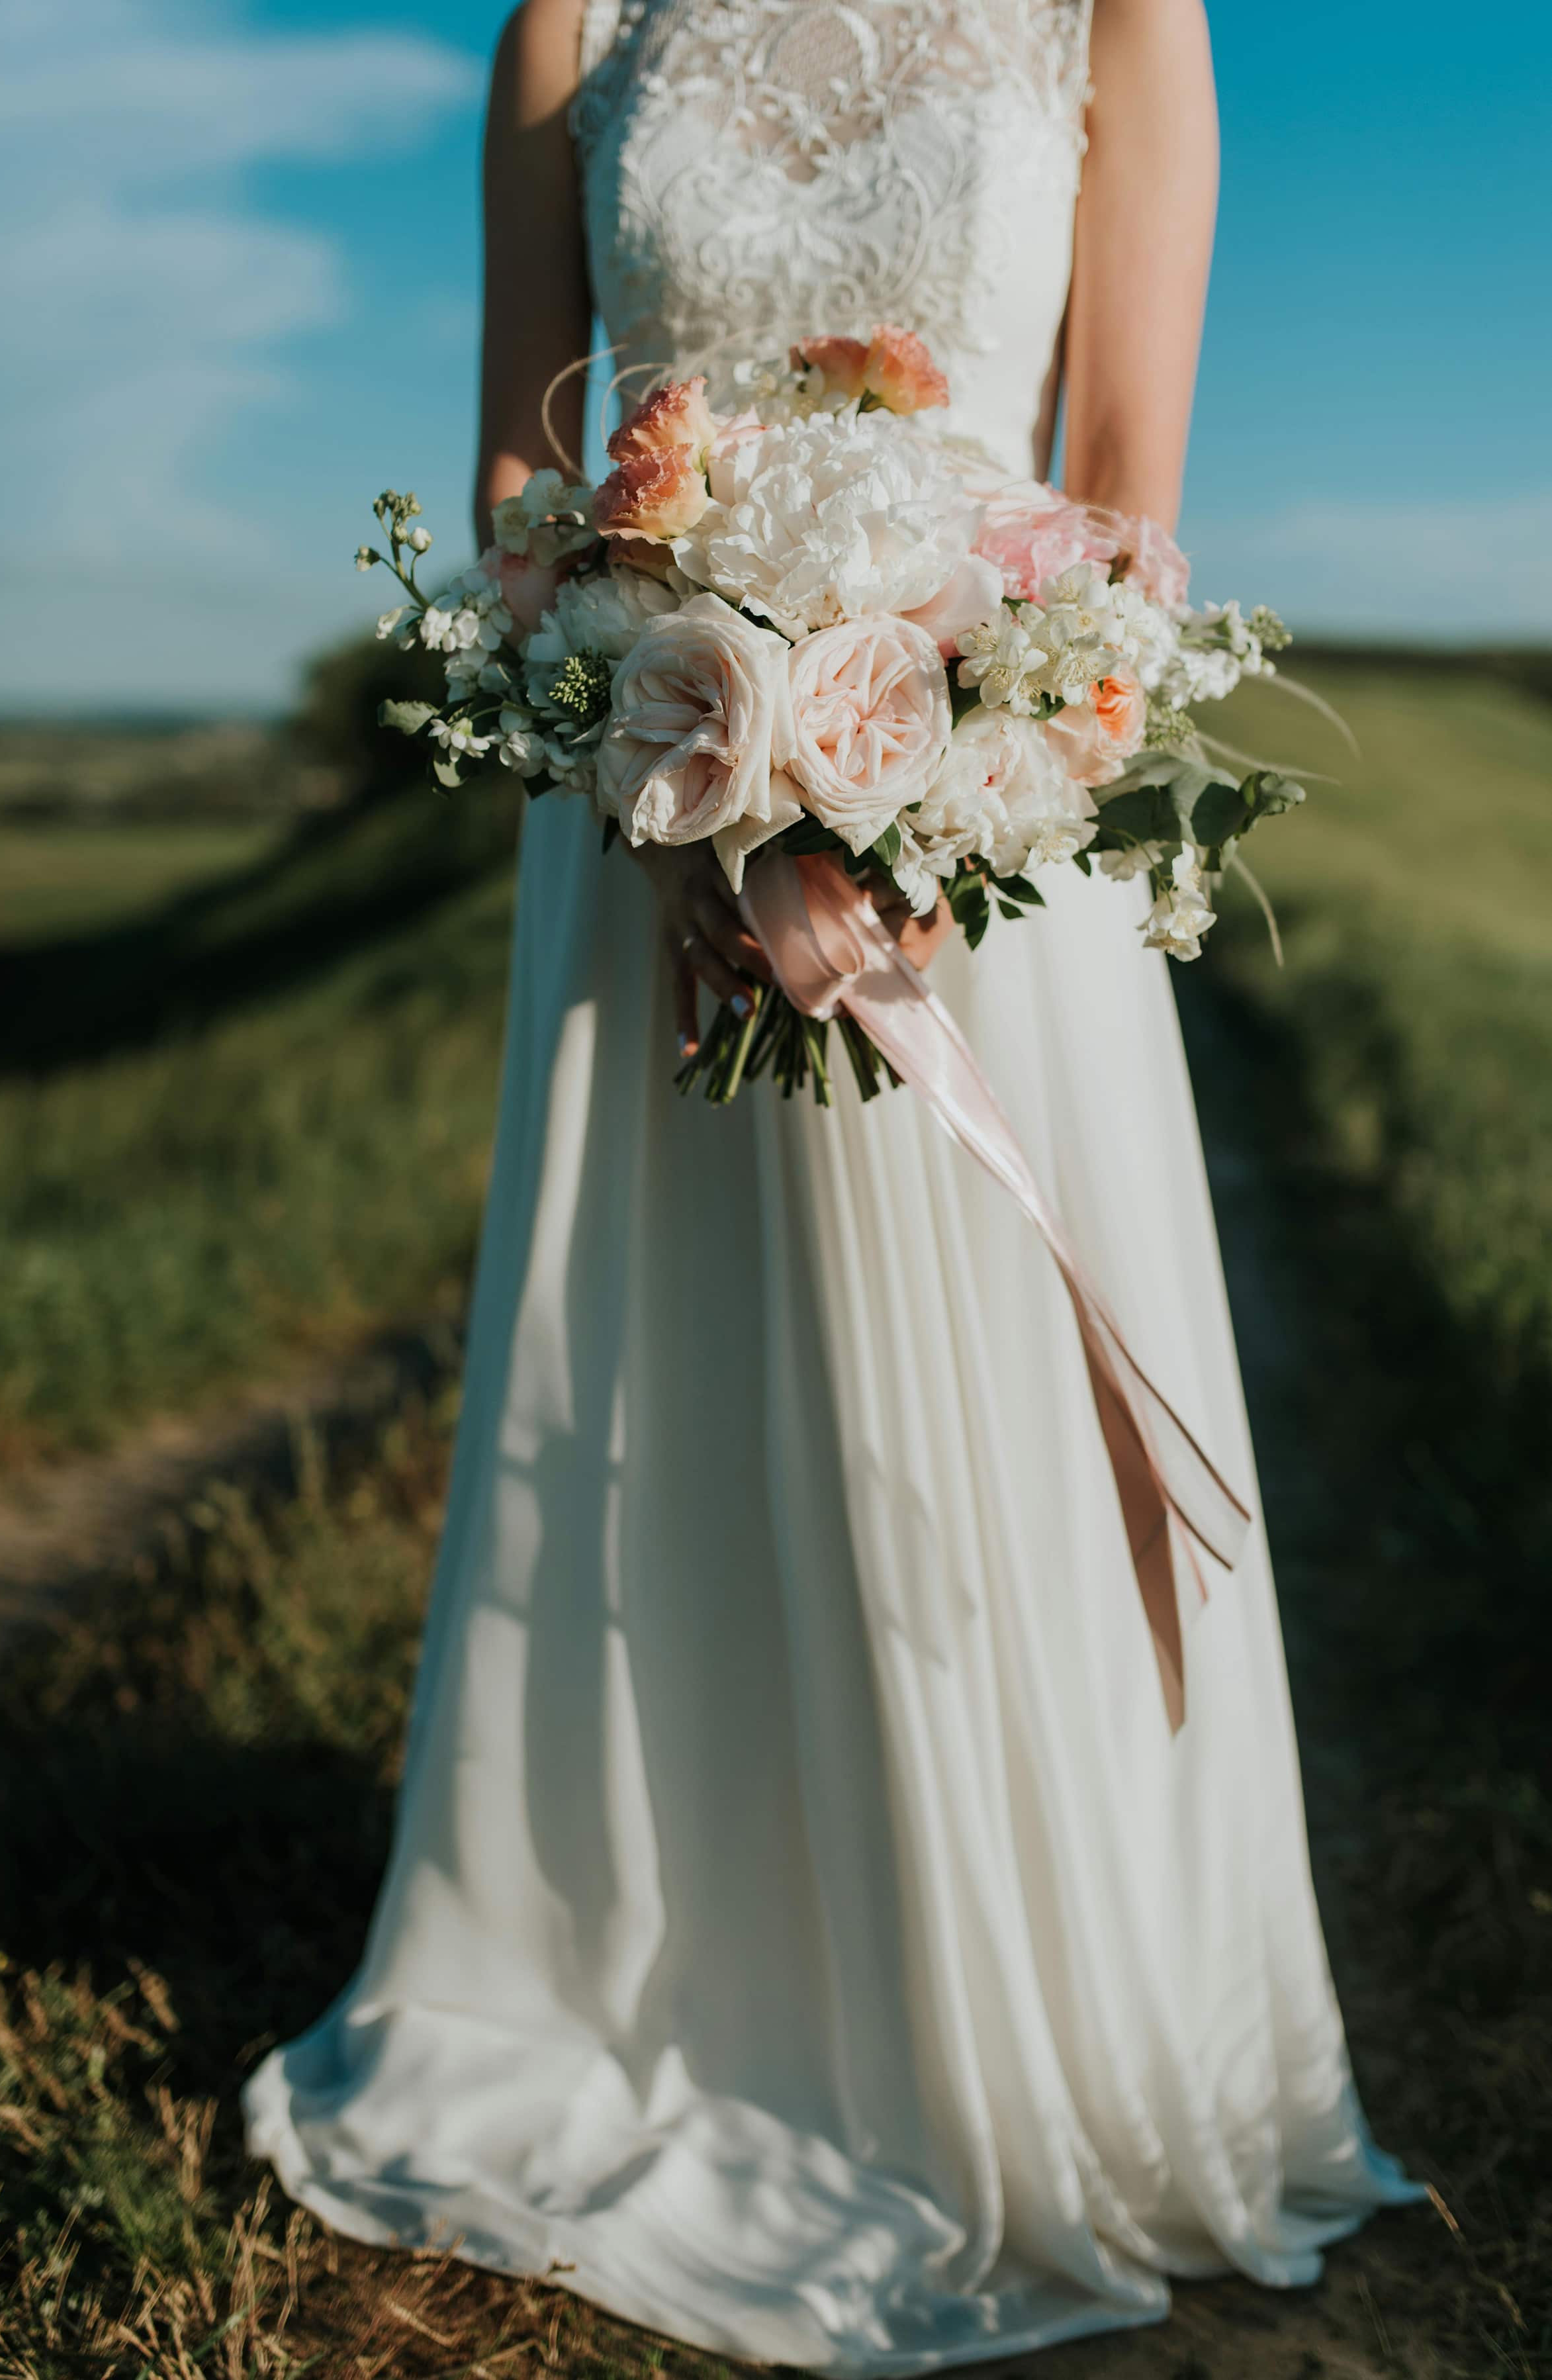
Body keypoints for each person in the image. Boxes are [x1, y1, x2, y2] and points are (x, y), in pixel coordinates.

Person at [245, 0, 1422, 2363]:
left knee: (965, 1432)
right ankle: (671, 1972)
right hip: (646, 810)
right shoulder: (575, 18)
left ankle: (1033, 2027)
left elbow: (1115, 496)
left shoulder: (1118, 12)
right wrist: (668, 728)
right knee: (665, 1415)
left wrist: (922, 787)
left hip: (985, 838)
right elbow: (512, 485)